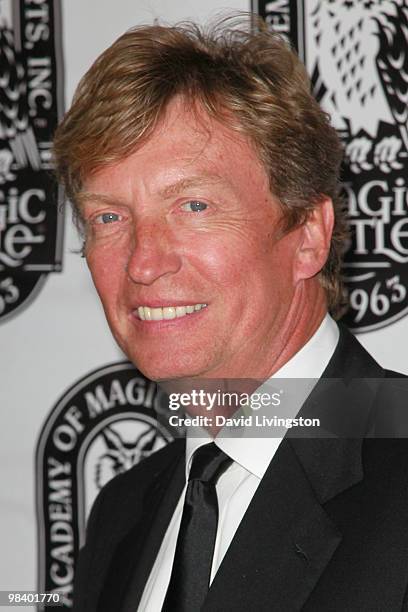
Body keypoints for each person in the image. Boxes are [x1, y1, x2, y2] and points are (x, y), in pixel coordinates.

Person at [53, 16, 408, 612]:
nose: (143, 262)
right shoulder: (121, 513)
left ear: (307, 237)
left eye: (193, 204)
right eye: (109, 218)